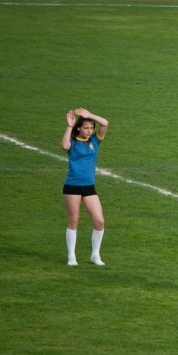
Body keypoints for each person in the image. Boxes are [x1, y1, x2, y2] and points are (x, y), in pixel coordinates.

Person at [61, 108, 109, 266]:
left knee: (99, 221)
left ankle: (95, 255)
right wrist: (69, 126)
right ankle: (71, 256)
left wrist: (90, 116)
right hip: (72, 186)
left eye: (91, 128)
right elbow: (64, 145)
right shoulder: (73, 142)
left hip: (89, 187)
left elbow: (105, 123)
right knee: (74, 220)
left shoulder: (94, 141)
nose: (89, 131)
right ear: (79, 128)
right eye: (86, 128)